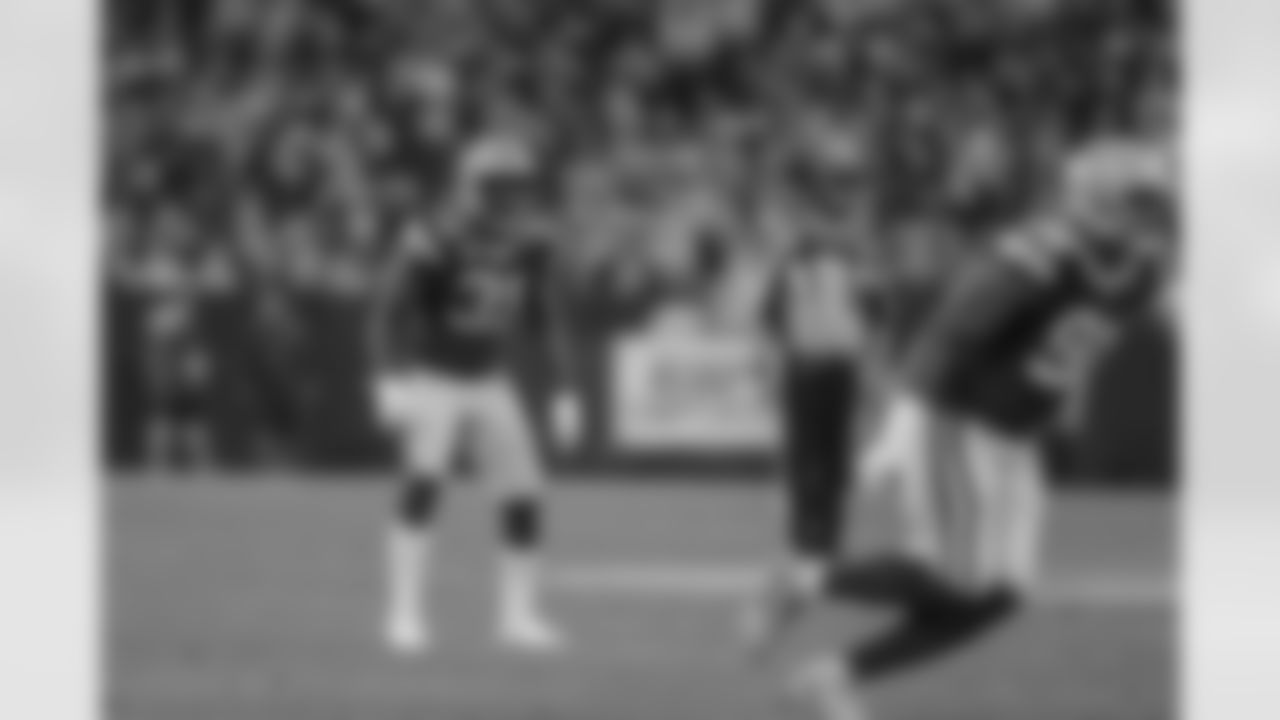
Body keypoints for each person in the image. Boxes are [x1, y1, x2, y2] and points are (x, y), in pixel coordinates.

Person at [780, 140, 1176, 720]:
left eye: (1152, 203)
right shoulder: (1037, 255)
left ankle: (832, 676)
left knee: (1004, 592)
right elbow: (951, 334)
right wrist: (902, 423)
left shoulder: (1146, 269)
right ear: (1095, 202)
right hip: (958, 417)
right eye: (1137, 202)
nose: (1150, 217)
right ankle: (806, 576)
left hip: (1016, 434)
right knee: (957, 576)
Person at [368, 136, 581, 655]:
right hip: (435, 376)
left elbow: (546, 315)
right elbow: (389, 308)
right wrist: (388, 377)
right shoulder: (434, 235)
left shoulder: (530, 242)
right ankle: (403, 614)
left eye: (516, 188)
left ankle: (517, 618)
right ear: (472, 188)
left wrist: (565, 388)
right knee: (423, 486)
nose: (510, 200)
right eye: (499, 188)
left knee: (524, 495)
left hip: (489, 378)